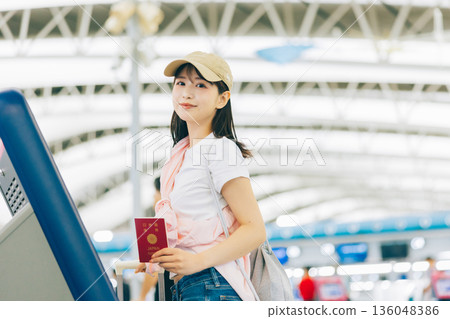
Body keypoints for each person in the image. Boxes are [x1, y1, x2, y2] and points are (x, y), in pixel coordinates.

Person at [135, 51, 266, 301]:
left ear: (222, 99)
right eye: (181, 83)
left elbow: (255, 230)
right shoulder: (180, 156)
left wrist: (196, 261)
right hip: (188, 285)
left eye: (200, 85)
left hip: (213, 283)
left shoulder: (220, 149)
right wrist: (161, 257)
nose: (186, 92)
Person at [137, 177, 174, 301]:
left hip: (168, 292)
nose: (153, 196)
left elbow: (153, 264)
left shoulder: (159, 223)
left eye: (156, 192)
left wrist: (141, 297)